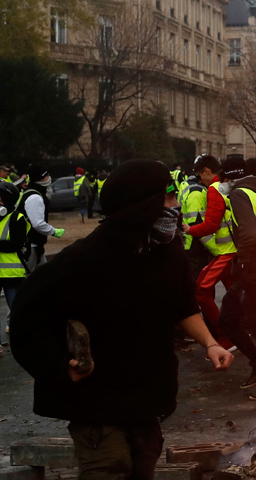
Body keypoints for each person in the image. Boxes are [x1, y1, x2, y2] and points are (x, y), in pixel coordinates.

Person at [10, 159, 233, 480]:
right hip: (99, 411)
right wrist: (59, 367)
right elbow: (25, 320)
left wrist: (210, 343)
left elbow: (182, 306)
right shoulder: (85, 260)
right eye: (169, 197)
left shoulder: (168, 253)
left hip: (147, 405)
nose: (177, 205)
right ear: (143, 206)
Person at [217, 158, 256, 396]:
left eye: (222, 178)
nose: (221, 183)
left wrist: (241, 262)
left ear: (229, 176)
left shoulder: (240, 194)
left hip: (254, 271)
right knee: (232, 319)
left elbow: (249, 234)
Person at [185, 156, 236, 349]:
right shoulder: (229, 186)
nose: (200, 180)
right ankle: (241, 331)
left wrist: (190, 230)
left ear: (207, 170)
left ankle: (226, 334)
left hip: (226, 252)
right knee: (236, 295)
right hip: (232, 250)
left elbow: (211, 224)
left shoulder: (214, 189)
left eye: (200, 175)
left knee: (201, 292)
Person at [17, 166, 64, 272]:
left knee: (43, 274)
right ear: (40, 179)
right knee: (28, 276)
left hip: (34, 244)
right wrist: (53, 231)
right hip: (31, 245)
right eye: (46, 176)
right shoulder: (35, 197)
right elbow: (38, 224)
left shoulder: (33, 193)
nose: (49, 178)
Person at [1, 181, 28, 349]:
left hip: (12, 274)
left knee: (17, 311)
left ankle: (26, 341)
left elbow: (16, 244)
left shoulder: (17, 218)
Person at [179, 156, 214, 281]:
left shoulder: (187, 185)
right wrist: (217, 250)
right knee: (199, 286)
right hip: (196, 246)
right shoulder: (197, 192)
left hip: (190, 244)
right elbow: (197, 224)